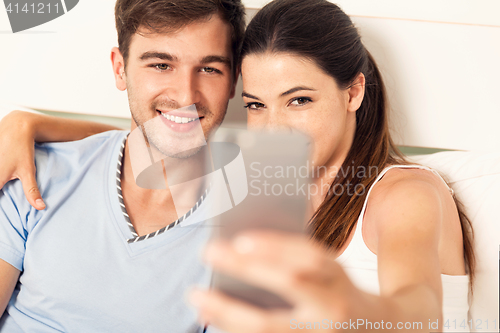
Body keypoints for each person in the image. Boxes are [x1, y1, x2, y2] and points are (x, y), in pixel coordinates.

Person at [0, 0, 474, 332]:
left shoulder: (401, 194)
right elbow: (153, 139)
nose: (274, 129)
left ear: (353, 91)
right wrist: (32, 124)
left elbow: (420, 310)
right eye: (256, 105)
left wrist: (354, 311)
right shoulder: (270, 179)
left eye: (300, 100)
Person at [0, 0, 245, 331]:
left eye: (209, 69)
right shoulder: (32, 172)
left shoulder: (246, 237)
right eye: (161, 65)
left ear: (233, 83)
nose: (186, 95)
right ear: (120, 69)